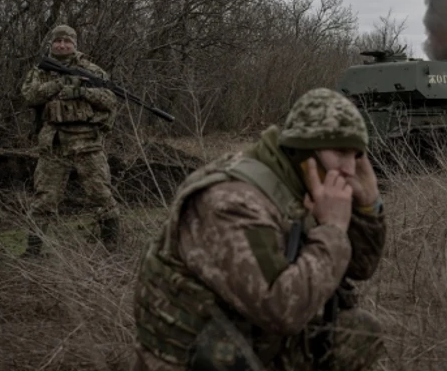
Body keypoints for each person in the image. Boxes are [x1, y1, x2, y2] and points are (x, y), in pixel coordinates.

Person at [132, 88, 387, 371]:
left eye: (356, 155)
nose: (350, 168)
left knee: (357, 332)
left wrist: (368, 205)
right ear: (303, 150)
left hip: (246, 336)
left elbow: (360, 267)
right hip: (194, 357)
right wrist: (333, 229)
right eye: (340, 152)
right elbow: (282, 311)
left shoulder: (301, 182)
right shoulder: (232, 201)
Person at [19, 24, 120, 256]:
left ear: (75, 44)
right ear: (51, 44)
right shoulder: (40, 71)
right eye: (58, 41)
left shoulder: (91, 70)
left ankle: (112, 248)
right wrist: (57, 84)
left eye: (67, 42)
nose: (62, 45)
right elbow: (29, 97)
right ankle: (32, 252)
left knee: (101, 194)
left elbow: (110, 100)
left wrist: (82, 91)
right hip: (53, 143)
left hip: (88, 141)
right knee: (44, 199)